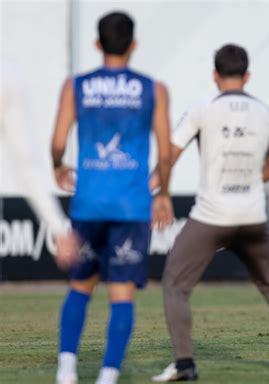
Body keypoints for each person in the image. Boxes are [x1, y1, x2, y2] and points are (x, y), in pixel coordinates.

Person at [151, 44, 269, 382]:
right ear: (247, 76)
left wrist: (159, 194)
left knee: (175, 283)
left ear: (215, 75)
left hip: (213, 217)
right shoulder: (264, 112)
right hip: (252, 217)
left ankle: (185, 365)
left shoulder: (204, 107)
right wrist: (248, 180)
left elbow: (168, 156)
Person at [51, 12, 174, 384]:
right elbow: (165, 152)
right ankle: (107, 375)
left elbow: (58, 142)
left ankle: (67, 370)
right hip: (131, 205)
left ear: (96, 44)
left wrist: (58, 165)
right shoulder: (154, 89)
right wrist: (164, 192)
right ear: (133, 45)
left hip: (88, 202)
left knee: (79, 287)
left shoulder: (76, 85)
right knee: (121, 294)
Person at [0, 58, 79, 270]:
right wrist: (58, 228)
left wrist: (58, 228)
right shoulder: (6, 75)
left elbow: (24, 164)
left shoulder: (6, 76)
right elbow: (25, 165)